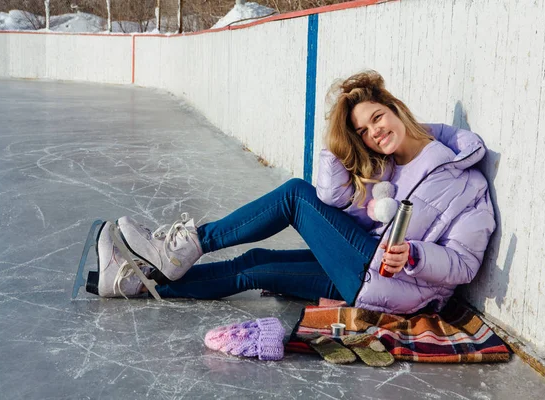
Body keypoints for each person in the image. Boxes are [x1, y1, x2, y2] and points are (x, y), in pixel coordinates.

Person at [87, 70, 495, 315]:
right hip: (361, 272)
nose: (376, 131)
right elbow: (334, 201)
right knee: (256, 264)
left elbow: (464, 264)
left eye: (377, 117)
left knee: (295, 196)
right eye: (364, 131)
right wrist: (339, 147)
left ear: (396, 109)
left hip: (395, 285)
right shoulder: (384, 166)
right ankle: (140, 282)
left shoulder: (465, 179)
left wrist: (416, 255)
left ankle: (183, 248)